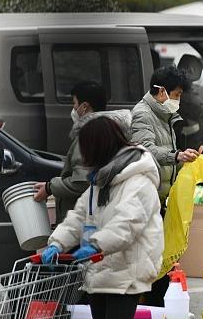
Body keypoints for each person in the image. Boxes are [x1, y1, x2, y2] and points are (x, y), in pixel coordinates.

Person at [40, 117, 163, 319]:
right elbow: (79, 216)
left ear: (101, 147)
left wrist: (96, 246)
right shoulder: (101, 180)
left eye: (87, 149)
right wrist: (57, 243)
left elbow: (127, 224)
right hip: (99, 268)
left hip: (126, 272)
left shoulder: (138, 180)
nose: (84, 157)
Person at [130, 65, 200, 306]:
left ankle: (156, 306)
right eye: (176, 94)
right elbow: (145, 149)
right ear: (161, 92)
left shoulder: (164, 115)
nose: (178, 100)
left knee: (159, 263)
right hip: (146, 202)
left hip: (159, 201)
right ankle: (152, 307)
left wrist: (185, 161)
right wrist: (177, 155)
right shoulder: (143, 114)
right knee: (152, 265)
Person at [34, 81, 132, 224]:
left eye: (74, 103)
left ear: (84, 106)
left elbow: (82, 182)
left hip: (86, 217)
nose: (73, 109)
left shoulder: (89, 136)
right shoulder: (112, 130)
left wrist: (50, 187)